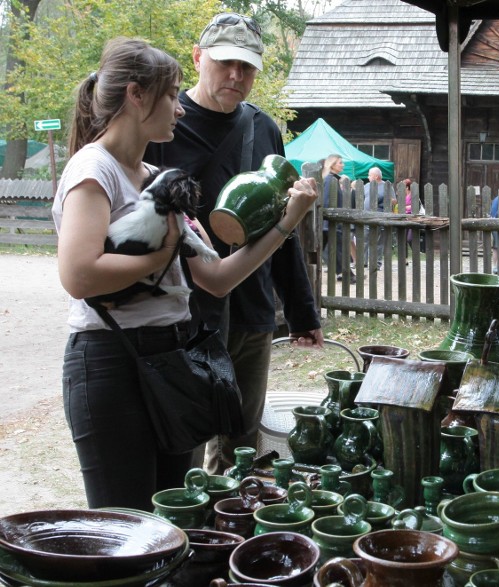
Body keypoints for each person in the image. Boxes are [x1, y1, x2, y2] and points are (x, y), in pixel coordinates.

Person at [52, 37, 318, 510]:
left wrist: (285, 223)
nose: (179, 109)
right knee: (127, 526)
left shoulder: (158, 177)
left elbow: (215, 278)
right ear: (136, 96)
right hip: (111, 364)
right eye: (172, 95)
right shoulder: (94, 170)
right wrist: (162, 256)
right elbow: (79, 274)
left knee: (172, 516)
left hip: (169, 361)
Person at [143, 13, 323, 476]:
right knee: (182, 442)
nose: (236, 76)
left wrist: (302, 312)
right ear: (199, 58)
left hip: (251, 311)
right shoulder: (162, 127)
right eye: (225, 63)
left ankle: (231, 539)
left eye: (247, 67)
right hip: (181, 316)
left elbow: (281, 229)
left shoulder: (263, 130)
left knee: (241, 447)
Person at [322, 154, 357, 282]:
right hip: (330, 223)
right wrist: (327, 223)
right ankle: (346, 274)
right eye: (340, 163)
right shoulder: (330, 180)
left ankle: (344, 274)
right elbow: (326, 202)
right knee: (335, 249)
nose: (343, 165)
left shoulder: (333, 179)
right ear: (332, 165)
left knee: (333, 249)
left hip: (331, 222)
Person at [362, 166, 396, 271]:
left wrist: (385, 200)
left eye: (369, 174)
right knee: (365, 240)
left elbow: (394, 201)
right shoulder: (366, 186)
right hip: (366, 217)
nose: (368, 177)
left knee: (378, 242)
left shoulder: (387, 185)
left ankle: (377, 263)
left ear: (376, 176)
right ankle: (364, 262)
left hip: (380, 216)